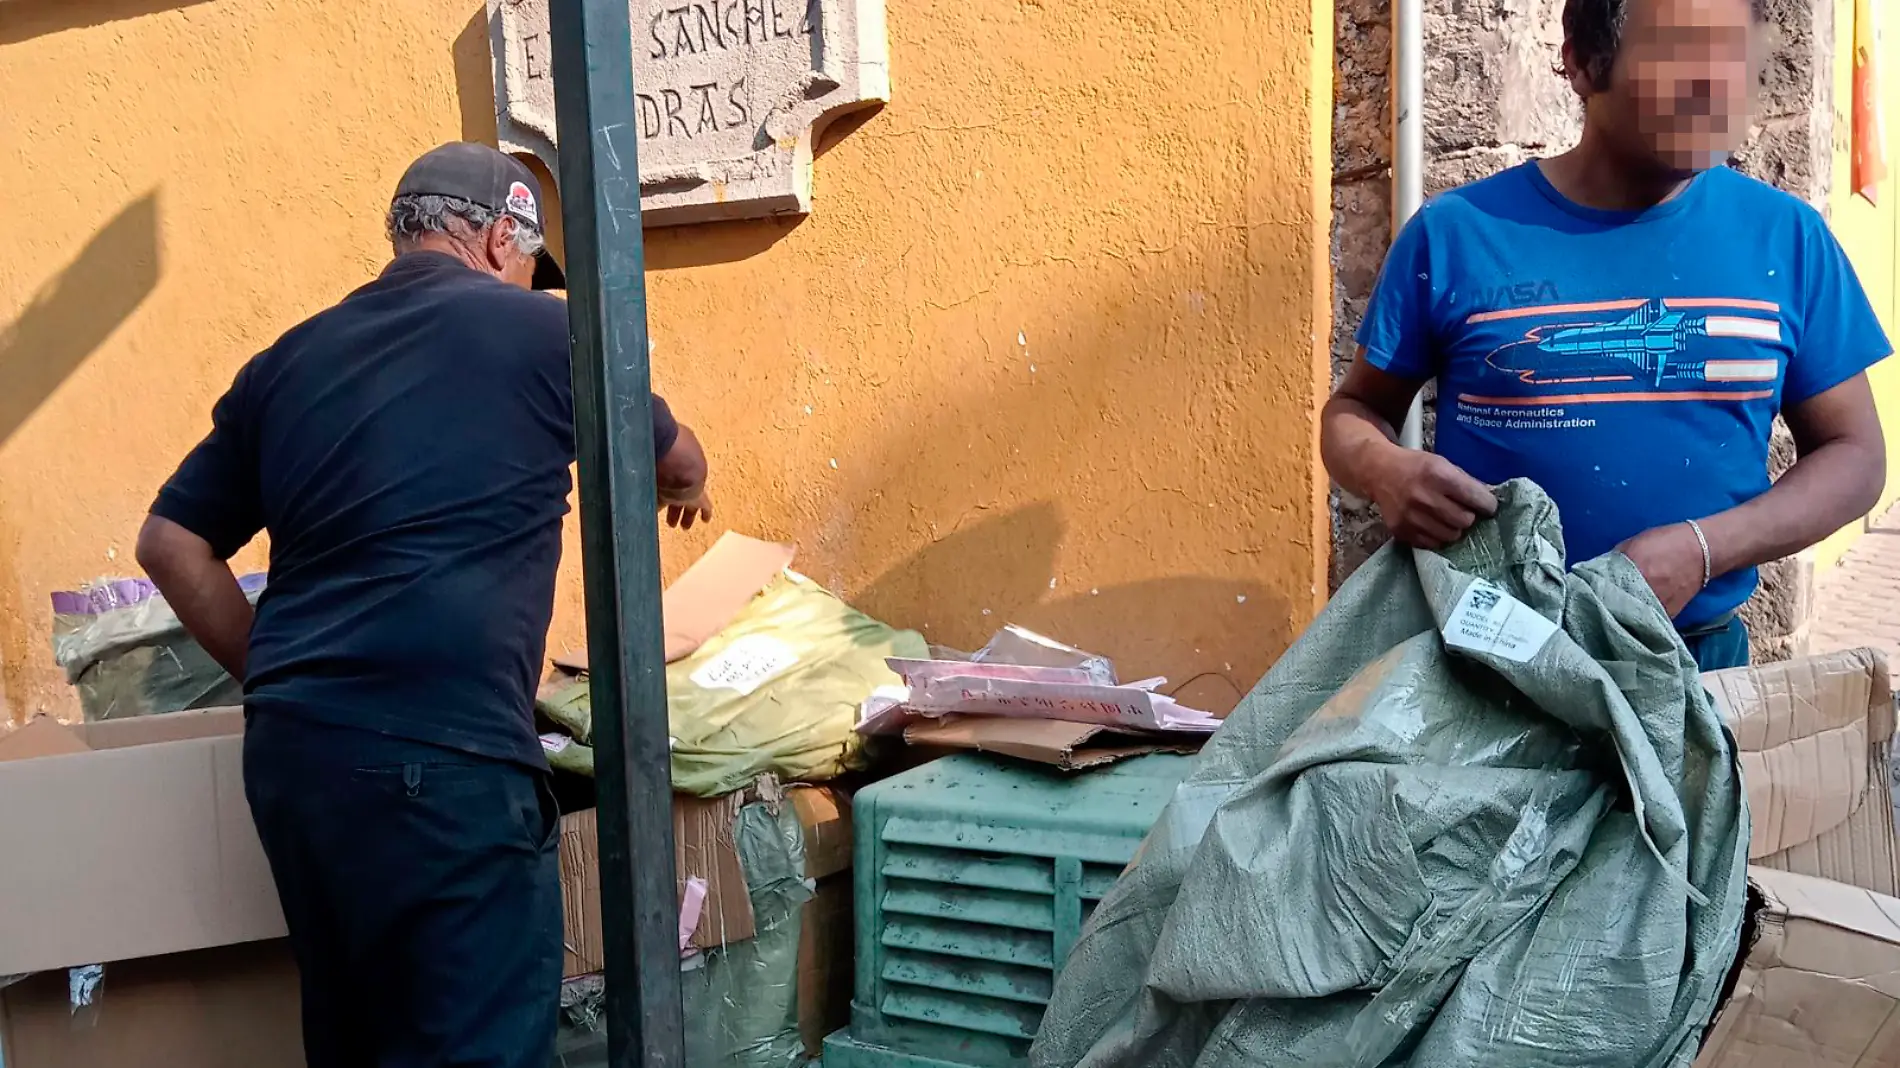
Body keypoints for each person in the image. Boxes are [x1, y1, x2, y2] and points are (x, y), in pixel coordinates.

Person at [135, 142, 710, 1068]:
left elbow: (170, 542)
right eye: (529, 264)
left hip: (298, 763)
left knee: (359, 1039)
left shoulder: (286, 362)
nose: (530, 283)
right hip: (445, 764)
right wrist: (690, 481)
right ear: (495, 234)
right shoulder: (545, 337)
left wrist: (282, 670)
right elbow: (675, 458)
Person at [1322, 0, 1891, 671]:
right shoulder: (1457, 233)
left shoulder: (1787, 239)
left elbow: (1856, 457)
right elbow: (1352, 412)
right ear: (1583, 66)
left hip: (1693, 670)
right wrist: (1387, 471)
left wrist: (1703, 549)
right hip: (1486, 671)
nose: (1714, 81)